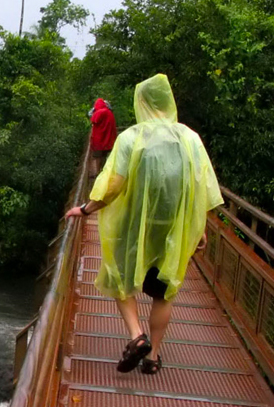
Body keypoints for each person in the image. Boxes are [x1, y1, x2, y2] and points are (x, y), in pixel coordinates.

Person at [65, 74, 223, 374]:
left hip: (136, 225)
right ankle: (153, 358)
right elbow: (203, 185)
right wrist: (200, 226)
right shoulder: (190, 138)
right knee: (164, 292)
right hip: (173, 228)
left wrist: (86, 209)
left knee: (121, 280)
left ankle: (137, 336)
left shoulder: (131, 138)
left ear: (142, 103)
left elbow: (112, 185)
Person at [89, 98, 118, 177]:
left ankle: (97, 173)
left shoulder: (99, 112)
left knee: (97, 157)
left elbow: (93, 120)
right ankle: (103, 171)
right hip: (108, 139)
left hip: (99, 140)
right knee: (104, 156)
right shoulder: (109, 112)